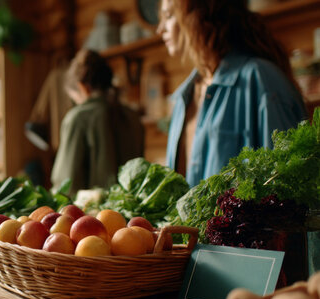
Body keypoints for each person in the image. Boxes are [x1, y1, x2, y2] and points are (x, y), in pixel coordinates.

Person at [157, 0, 307, 187]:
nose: (160, 29)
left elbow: (291, 183)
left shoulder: (261, 80)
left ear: (198, 15)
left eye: (169, 16)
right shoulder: (182, 98)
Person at [51, 49, 144, 195]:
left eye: (75, 99)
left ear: (83, 87)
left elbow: (66, 184)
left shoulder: (77, 118)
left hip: (93, 215)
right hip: (132, 211)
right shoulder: (132, 116)